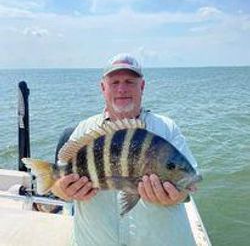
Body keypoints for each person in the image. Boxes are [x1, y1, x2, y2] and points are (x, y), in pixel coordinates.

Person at [52, 53, 198, 246]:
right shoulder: (84, 131)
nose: (122, 89)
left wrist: (176, 195)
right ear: (103, 88)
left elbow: (189, 183)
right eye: (114, 82)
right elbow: (55, 185)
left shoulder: (166, 129)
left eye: (130, 81)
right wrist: (64, 189)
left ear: (142, 86)